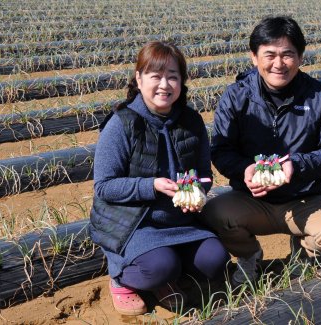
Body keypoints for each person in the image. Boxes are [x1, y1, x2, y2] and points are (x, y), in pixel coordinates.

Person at [200, 16, 321, 285]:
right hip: (252, 199)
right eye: (269, 54)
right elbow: (221, 149)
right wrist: (244, 169)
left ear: (301, 57)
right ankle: (249, 256)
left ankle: (303, 252)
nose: (278, 63)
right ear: (254, 57)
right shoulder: (236, 96)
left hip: (304, 199)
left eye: (287, 54)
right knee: (210, 213)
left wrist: (297, 165)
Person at [88, 41, 229, 315]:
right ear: (139, 79)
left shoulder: (191, 121)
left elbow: (203, 174)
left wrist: (196, 193)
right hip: (134, 224)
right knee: (160, 267)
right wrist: (151, 185)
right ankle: (121, 278)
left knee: (215, 260)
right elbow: (104, 187)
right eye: (156, 76)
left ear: (182, 82)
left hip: (180, 221)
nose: (165, 84)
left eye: (173, 76)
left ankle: (166, 276)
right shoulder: (122, 124)